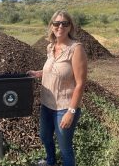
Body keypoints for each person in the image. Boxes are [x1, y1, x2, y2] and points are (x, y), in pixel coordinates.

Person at [28, 10, 87, 166]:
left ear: (70, 27)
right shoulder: (51, 47)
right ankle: (50, 161)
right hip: (47, 105)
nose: (60, 26)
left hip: (64, 108)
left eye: (64, 23)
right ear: (52, 26)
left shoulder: (76, 49)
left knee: (65, 147)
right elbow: (54, 70)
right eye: (56, 23)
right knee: (45, 137)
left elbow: (80, 83)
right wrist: (37, 73)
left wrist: (71, 112)